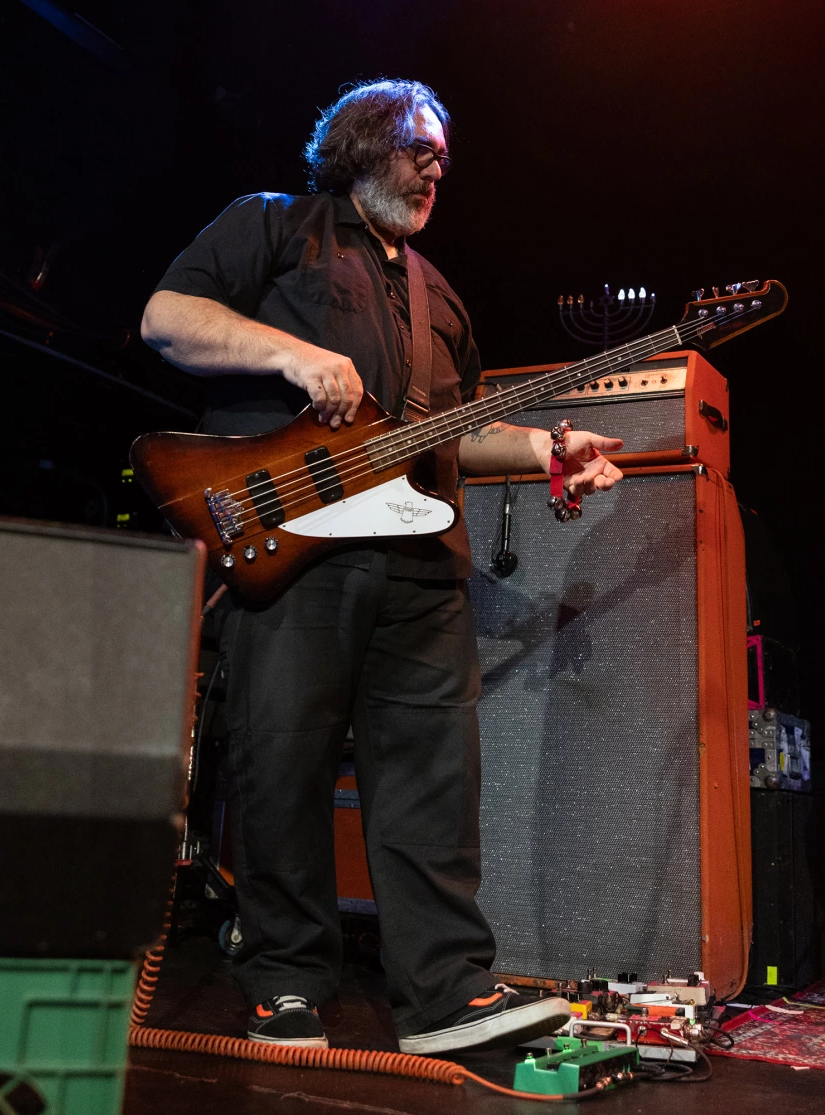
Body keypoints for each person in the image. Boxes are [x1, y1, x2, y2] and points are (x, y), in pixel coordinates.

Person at [140, 79, 623, 1055]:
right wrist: (292, 356)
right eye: (417, 144)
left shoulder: (439, 294)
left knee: (434, 783)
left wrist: (538, 451)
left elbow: (450, 434)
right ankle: (283, 981)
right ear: (360, 146)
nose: (437, 162)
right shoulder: (275, 225)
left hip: (419, 563)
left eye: (444, 149)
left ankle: (444, 992)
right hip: (293, 550)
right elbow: (165, 318)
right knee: (282, 765)